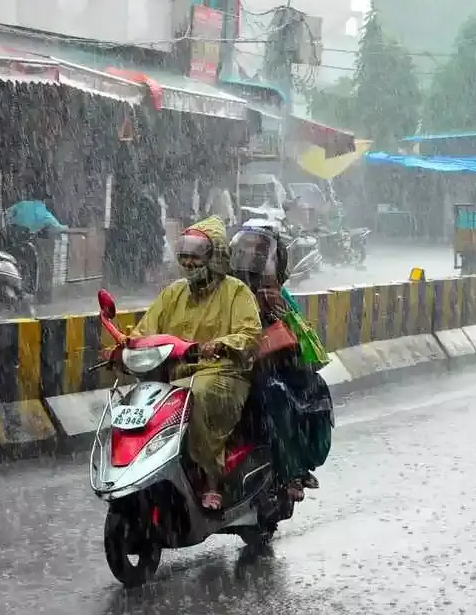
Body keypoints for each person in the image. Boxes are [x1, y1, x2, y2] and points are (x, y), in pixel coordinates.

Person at [128, 217, 263, 511]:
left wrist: (223, 344)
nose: (188, 263)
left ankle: (211, 479)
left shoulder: (236, 291)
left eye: (195, 256)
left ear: (214, 258)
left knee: (194, 396)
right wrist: (125, 347)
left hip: (222, 373)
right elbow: (144, 330)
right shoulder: (173, 292)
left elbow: (249, 333)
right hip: (176, 373)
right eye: (184, 256)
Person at [230, 225, 332, 501]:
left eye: (259, 254)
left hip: (266, 368)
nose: (251, 260)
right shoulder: (223, 289)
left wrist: (276, 313)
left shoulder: (276, 295)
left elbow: (299, 341)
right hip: (221, 364)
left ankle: (291, 470)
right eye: (246, 252)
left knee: (274, 394)